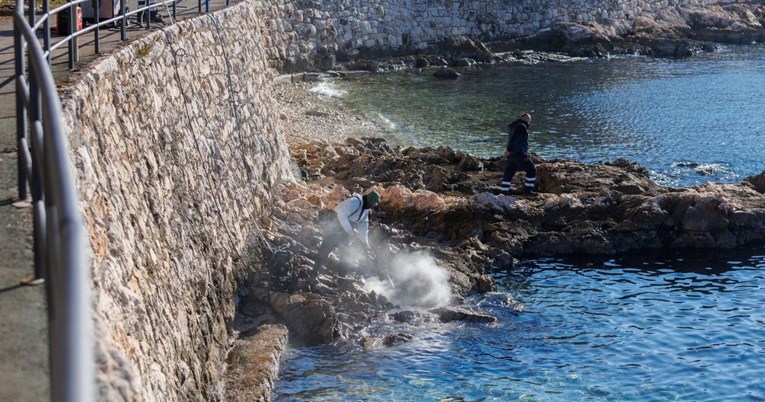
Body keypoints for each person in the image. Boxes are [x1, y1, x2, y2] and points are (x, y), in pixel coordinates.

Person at [317, 191, 381, 266]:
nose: (373, 206)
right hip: (335, 223)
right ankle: (314, 272)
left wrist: (365, 244)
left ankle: (341, 276)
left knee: (346, 253)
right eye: (373, 204)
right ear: (370, 200)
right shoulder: (355, 202)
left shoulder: (365, 211)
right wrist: (350, 232)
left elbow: (363, 228)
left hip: (345, 229)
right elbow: (341, 215)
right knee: (326, 248)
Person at [501, 112, 537, 196]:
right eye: (528, 119)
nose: (529, 122)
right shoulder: (522, 126)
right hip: (519, 154)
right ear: (523, 118)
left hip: (511, 156)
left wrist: (508, 151)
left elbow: (513, 140)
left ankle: (503, 193)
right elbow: (514, 139)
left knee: (508, 174)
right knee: (532, 170)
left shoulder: (513, 126)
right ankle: (527, 192)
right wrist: (524, 154)